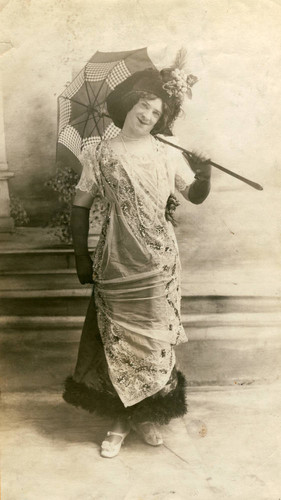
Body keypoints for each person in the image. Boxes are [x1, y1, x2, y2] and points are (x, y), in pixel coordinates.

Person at [63, 67, 211, 458]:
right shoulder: (99, 152)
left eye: (156, 113)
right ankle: (120, 420)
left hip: (160, 263)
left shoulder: (167, 152)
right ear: (130, 104)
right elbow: (80, 206)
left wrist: (204, 172)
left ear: (163, 119)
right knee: (119, 342)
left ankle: (146, 415)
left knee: (153, 340)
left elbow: (193, 194)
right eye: (144, 106)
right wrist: (81, 255)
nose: (147, 116)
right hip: (116, 261)